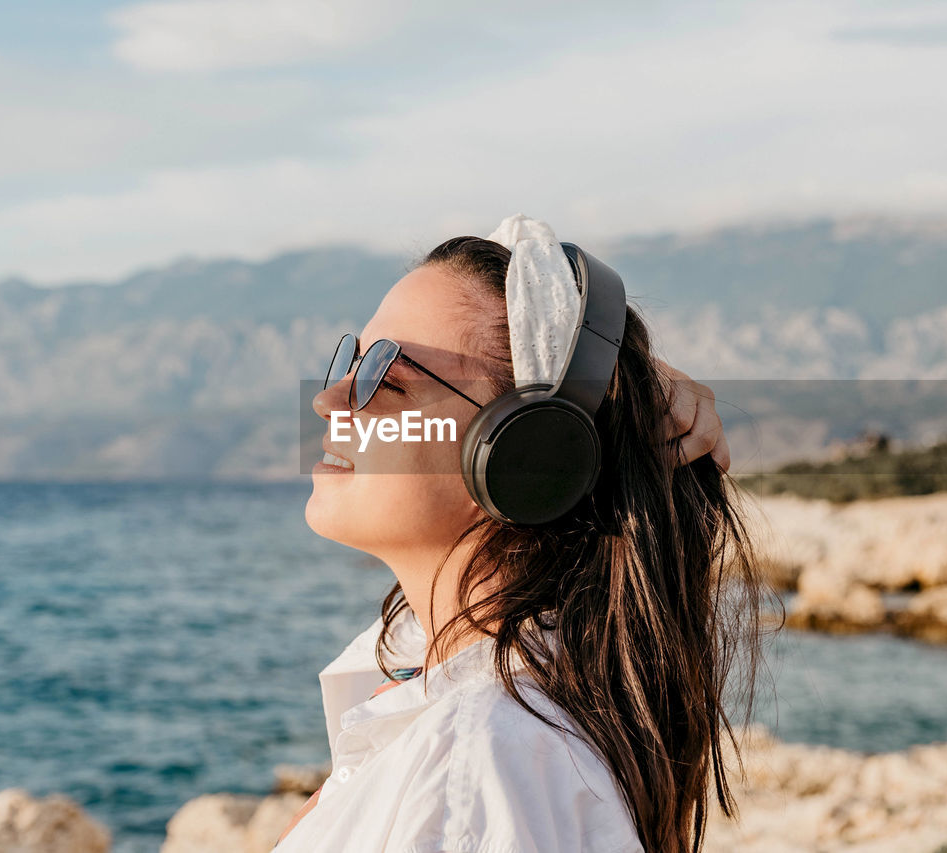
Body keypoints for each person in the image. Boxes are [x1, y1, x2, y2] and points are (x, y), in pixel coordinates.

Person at [270, 219, 775, 853]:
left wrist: (595, 383)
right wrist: (609, 376)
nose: (331, 400)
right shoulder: (458, 696)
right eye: (350, 360)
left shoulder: (474, 769)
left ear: (524, 451)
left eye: (387, 379)